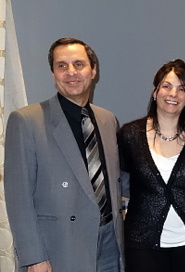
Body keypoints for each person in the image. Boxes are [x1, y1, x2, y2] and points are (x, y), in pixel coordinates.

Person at [4, 37, 124, 271]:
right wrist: (33, 257)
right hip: (59, 247)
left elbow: (117, 182)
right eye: (62, 66)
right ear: (53, 74)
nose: (71, 72)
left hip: (110, 245)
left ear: (93, 70)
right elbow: (18, 197)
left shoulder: (107, 120)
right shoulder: (27, 121)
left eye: (79, 64)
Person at [117, 59, 185, 272]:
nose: (173, 94)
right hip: (142, 244)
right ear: (155, 91)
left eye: (181, 89)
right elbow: (114, 183)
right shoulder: (130, 135)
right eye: (167, 86)